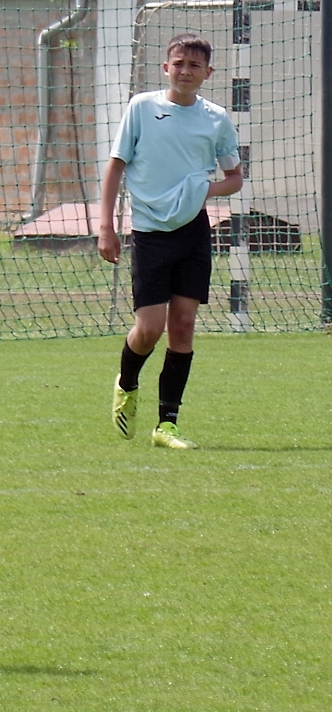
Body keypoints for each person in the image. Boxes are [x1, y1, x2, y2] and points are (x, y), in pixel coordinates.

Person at [98, 33, 242, 449]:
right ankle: (127, 383)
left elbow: (234, 178)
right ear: (166, 68)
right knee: (149, 329)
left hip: (193, 232)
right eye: (178, 63)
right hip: (149, 234)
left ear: (208, 73)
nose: (185, 71)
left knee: (183, 326)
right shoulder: (142, 108)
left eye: (194, 65)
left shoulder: (216, 118)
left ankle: (167, 425)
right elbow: (115, 166)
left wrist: (204, 189)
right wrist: (105, 226)